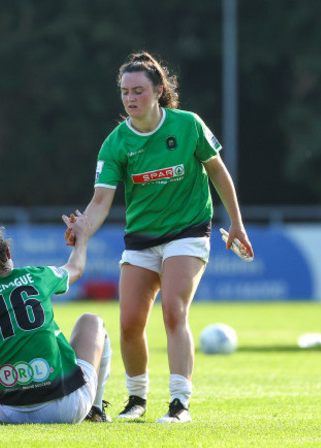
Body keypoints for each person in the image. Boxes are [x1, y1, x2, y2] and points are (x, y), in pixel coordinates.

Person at [64, 51, 254, 423]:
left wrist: (236, 222)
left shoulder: (188, 125)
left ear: (159, 91)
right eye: (124, 92)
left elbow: (218, 172)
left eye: (137, 90)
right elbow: (101, 201)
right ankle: (136, 400)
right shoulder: (116, 142)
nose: (130, 98)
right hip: (141, 239)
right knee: (130, 322)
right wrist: (83, 225)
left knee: (173, 312)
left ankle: (180, 404)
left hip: (188, 231)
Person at [0, 215, 112, 424]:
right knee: (92, 321)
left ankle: (92, 408)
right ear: (8, 252)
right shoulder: (37, 276)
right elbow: (76, 268)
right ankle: (96, 409)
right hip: (66, 408)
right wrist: (81, 238)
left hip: (9, 413)